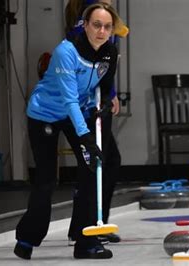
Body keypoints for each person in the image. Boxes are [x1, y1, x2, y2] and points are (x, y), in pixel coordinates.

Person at [14, 3, 124, 259]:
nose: (102, 31)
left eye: (107, 27)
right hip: (46, 116)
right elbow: (69, 99)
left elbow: (105, 86)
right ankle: (28, 238)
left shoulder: (110, 52)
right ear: (84, 25)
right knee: (46, 179)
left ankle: (84, 241)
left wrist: (108, 100)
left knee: (90, 171)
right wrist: (84, 135)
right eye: (96, 25)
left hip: (79, 114)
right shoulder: (67, 51)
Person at [65, 0, 127, 246]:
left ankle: (91, 224)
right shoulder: (92, 11)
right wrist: (107, 94)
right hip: (87, 103)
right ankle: (87, 225)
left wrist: (111, 93)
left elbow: (105, 65)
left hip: (98, 98)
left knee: (106, 161)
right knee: (98, 163)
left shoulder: (105, 13)